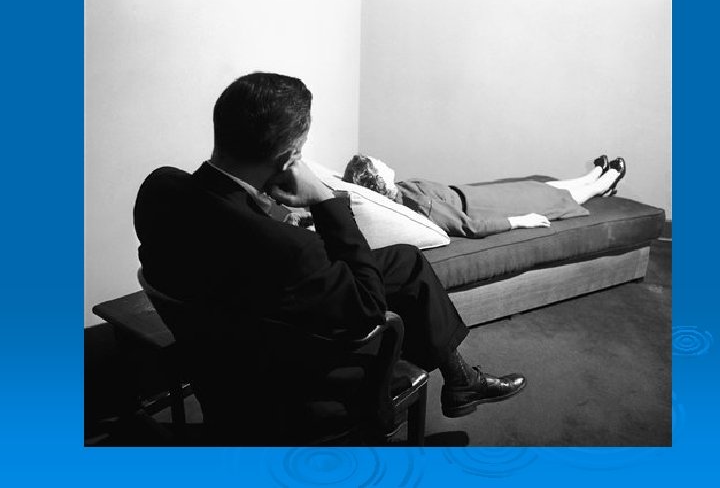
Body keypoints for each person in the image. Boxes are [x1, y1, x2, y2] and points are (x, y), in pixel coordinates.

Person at [133, 72, 526, 443]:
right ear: (288, 157)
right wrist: (324, 201)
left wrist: (268, 211)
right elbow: (368, 308)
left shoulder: (160, 188)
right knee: (381, 294)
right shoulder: (292, 250)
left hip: (221, 322)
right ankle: (456, 381)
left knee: (405, 262)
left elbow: (230, 233)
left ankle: (459, 378)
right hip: (283, 375)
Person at [342, 154, 627, 238]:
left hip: (474, 196)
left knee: (534, 186)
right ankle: (603, 182)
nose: (383, 162)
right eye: (377, 164)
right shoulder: (414, 203)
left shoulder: (401, 189)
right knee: (547, 199)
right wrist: (519, 221)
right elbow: (469, 226)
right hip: (482, 208)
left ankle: (591, 177)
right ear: (377, 180)